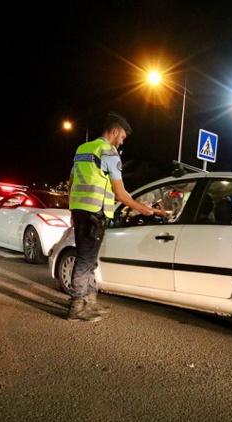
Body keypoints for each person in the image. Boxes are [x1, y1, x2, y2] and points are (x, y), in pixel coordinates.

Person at [66, 112, 155, 322]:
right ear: (115, 131)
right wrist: (140, 208)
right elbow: (120, 193)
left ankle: (90, 302)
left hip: (80, 211)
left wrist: (72, 211)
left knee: (88, 259)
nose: (122, 141)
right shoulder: (109, 153)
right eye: (122, 136)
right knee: (85, 261)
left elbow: (70, 183)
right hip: (95, 214)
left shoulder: (83, 149)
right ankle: (76, 307)